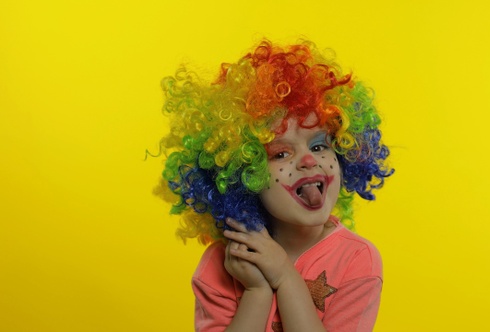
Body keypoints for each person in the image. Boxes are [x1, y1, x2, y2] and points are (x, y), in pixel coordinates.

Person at [156, 39, 394, 331]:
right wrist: (257, 292)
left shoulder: (357, 260)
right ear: (244, 176)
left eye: (319, 146)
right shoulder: (224, 262)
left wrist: (283, 275)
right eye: (281, 153)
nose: (308, 160)